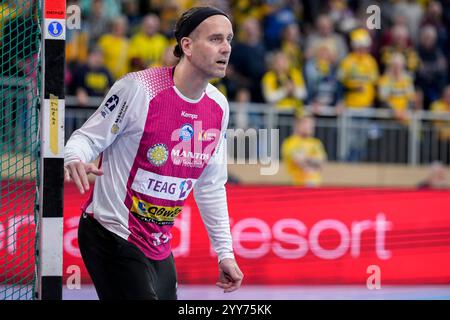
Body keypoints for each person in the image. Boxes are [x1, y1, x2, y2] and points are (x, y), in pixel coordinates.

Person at [64, 7, 243, 300]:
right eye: (215, 39)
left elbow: (211, 186)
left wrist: (225, 253)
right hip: (111, 233)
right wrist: (74, 157)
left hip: (158, 245)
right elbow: (86, 138)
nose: (226, 48)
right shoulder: (139, 89)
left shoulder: (218, 107)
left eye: (229, 39)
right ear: (186, 45)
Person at [281, 116, 327, 187]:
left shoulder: (316, 143)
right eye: (306, 124)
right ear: (298, 125)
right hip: (296, 185)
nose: (309, 127)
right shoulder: (290, 142)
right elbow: (297, 161)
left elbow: (321, 162)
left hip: (315, 185)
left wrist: (306, 158)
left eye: (311, 125)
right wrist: (313, 161)